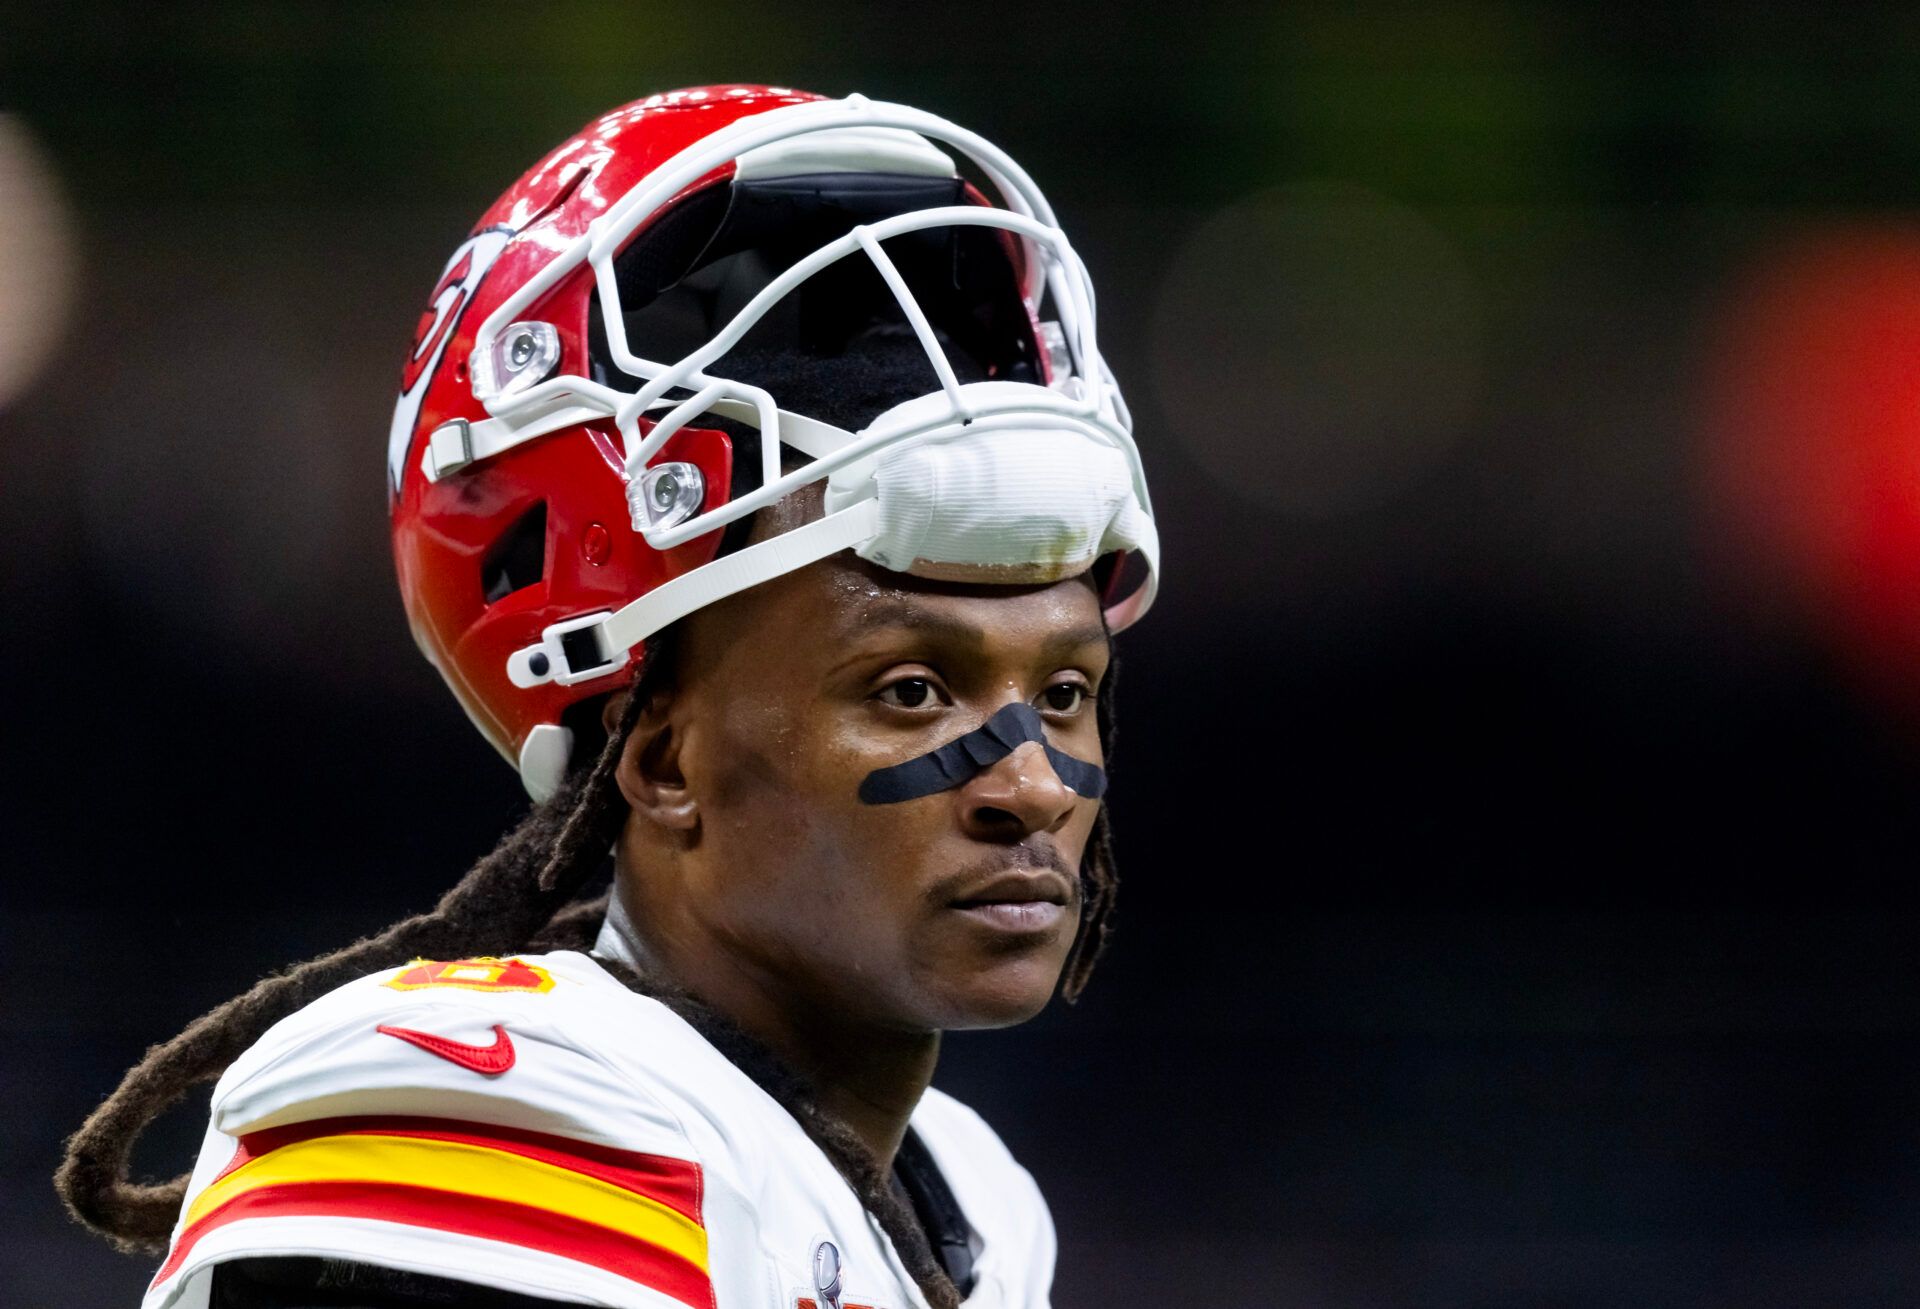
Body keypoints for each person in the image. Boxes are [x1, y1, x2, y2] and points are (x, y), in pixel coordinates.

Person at [58, 84, 1159, 1309]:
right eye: (910, 690)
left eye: (1063, 691)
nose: (1027, 784)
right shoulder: (499, 1105)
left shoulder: (971, 1200)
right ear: (663, 761)